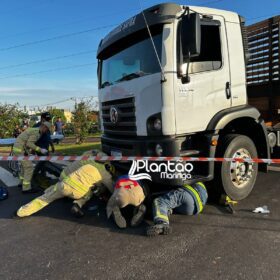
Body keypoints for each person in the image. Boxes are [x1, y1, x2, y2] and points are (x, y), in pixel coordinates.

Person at [16, 155, 115, 218]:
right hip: (78, 193)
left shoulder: (88, 164)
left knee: (45, 199)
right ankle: (78, 204)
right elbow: (112, 190)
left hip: (64, 185)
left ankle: (21, 212)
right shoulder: (106, 175)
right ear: (109, 169)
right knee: (89, 192)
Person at [13, 122, 51, 193]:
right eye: (47, 129)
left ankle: (22, 183)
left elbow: (26, 142)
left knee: (24, 167)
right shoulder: (36, 132)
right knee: (29, 167)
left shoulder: (34, 130)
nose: (46, 131)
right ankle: (26, 188)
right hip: (20, 150)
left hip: (19, 149)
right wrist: (40, 150)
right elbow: (29, 143)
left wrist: (28, 152)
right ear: (44, 127)